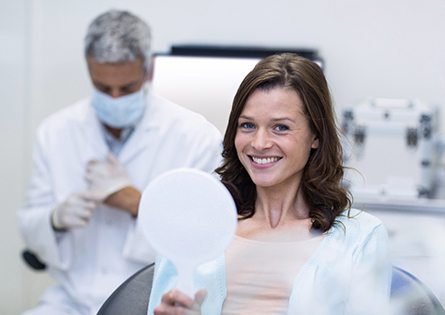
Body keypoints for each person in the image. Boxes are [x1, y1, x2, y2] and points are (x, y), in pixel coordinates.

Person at [147, 53, 392, 314]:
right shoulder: (193, 229)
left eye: (281, 128)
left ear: (316, 136)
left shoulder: (361, 239)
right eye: (248, 125)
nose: (260, 143)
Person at [18, 9, 222, 315]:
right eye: (103, 88)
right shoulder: (55, 131)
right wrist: (55, 220)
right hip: (71, 302)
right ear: (89, 70)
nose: (114, 98)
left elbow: (207, 237)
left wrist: (137, 203)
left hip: (152, 299)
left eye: (126, 88)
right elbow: (31, 228)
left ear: (148, 70)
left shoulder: (195, 136)